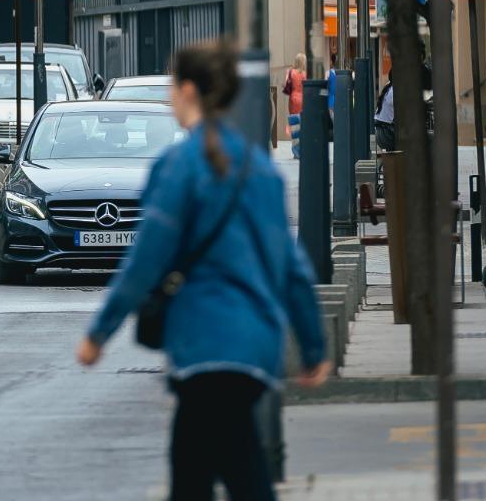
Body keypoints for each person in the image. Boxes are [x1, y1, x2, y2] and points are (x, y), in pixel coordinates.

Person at [78, 41, 330, 501]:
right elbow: (290, 266)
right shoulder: (260, 169)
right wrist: (312, 345)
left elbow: (145, 261)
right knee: (211, 463)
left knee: (219, 470)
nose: (170, 97)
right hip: (256, 346)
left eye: (173, 87)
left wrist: (98, 333)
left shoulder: (177, 168)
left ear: (190, 90)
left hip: (201, 344)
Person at [281, 55, 307, 159]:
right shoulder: (305, 73)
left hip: (294, 99)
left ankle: (295, 150)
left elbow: (284, 84)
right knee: (302, 124)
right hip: (304, 99)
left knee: (294, 123)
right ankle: (302, 149)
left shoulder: (291, 72)